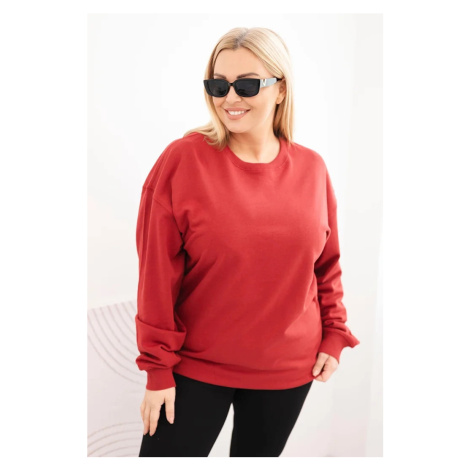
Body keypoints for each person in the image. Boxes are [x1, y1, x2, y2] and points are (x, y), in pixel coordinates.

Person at [135, 26, 360, 458]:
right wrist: (158, 368)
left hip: (287, 371)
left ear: (281, 89)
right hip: (194, 368)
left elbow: (325, 265)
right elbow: (156, 276)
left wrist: (335, 332)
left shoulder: (312, 169)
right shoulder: (183, 160)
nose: (230, 98)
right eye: (219, 85)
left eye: (247, 85)